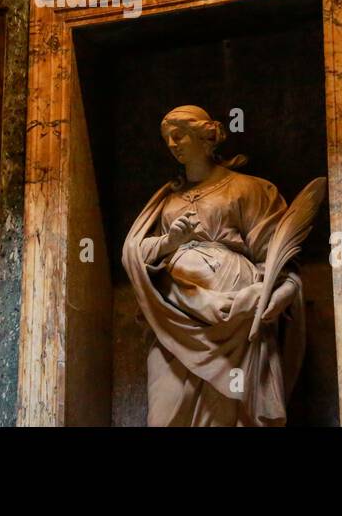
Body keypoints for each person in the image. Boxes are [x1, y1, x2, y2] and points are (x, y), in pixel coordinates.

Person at [122, 105, 323, 426]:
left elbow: (277, 260)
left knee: (231, 412)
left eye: (179, 135)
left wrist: (284, 293)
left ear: (207, 135)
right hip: (173, 315)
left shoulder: (249, 188)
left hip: (237, 312)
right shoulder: (165, 201)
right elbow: (136, 257)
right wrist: (169, 242)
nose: (172, 144)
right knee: (165, 413)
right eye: (167, 139)